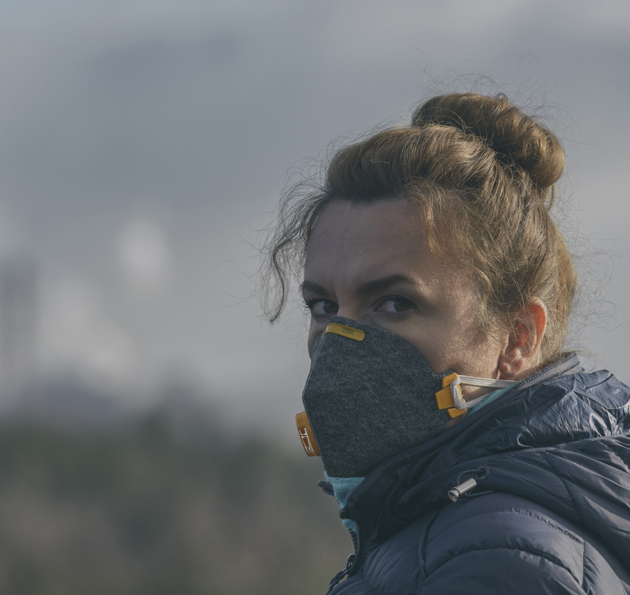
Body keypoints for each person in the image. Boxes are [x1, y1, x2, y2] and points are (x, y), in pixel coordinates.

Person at [263, 92, 630, 593]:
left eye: (394, 303)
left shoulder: (499, 562)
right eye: (324, 306)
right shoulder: (448, 526)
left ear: (517, 338)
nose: (339, 343)